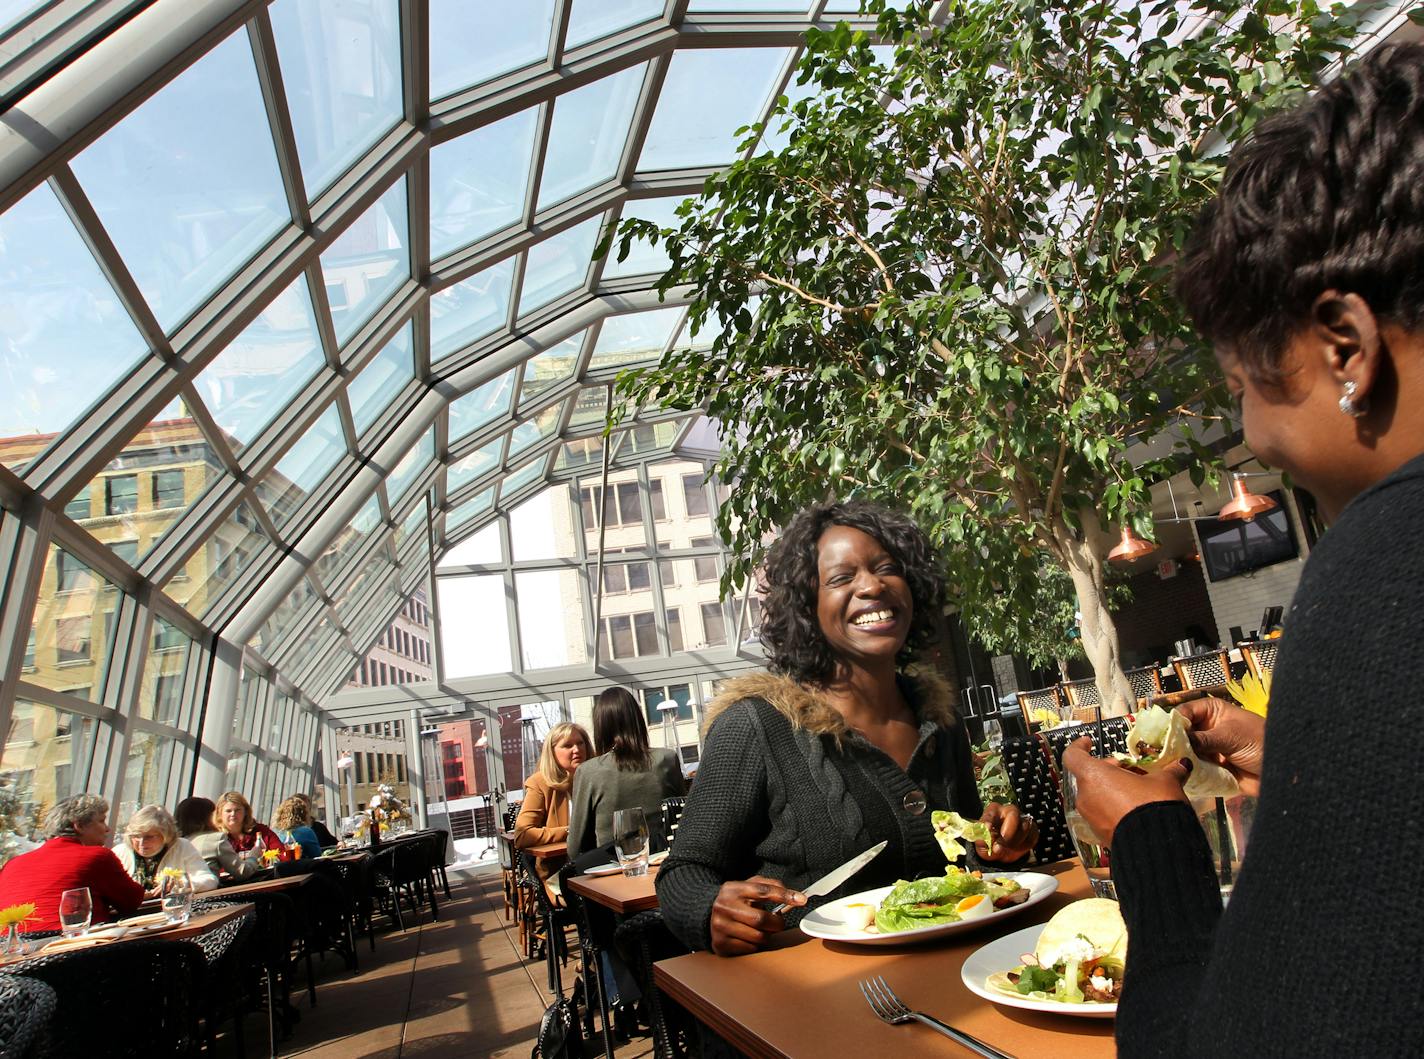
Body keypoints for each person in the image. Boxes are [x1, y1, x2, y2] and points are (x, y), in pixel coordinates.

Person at [1063, 43, 1424, 1057]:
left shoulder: (1386, 563)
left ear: (1342, 346)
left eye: (1241, 385)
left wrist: (1148, 838)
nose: (1250, 433)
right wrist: (1304, 760)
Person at [658, 502, 1037, 955]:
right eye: (841, 578)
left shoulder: (940, 721)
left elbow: (961, 862)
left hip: (958, 975)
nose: (873, 586)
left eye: (887, 569)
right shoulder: (757, 725)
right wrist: (709, 911)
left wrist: (997, 850)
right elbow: (683, 873)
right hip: (816, 1003)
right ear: (807, 608)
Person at [567, 688, 685, 862]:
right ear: (638, 719)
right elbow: (683, 817)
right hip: (664, 862)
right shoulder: (667, 759)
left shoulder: (589, 772)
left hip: (612, 870)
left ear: (600, 726)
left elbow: (575, 847)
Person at [0, 794, 143, 931]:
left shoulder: (11, 864)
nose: (107, 828)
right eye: (101, 821)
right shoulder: (96, 856)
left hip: (14, 950)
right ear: (79, 826)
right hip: (74, 948)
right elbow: (131, 902)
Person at [112, 804, 219, 894]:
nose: (141, 842)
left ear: (165, 835)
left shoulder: (181, 847)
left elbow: (210, 880)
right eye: (136, 836)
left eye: (149, 837)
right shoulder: (120, 852)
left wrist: (181, 884)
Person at [175, 795, 258, 880]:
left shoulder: (175, 845)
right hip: (209, 891)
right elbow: (243, 872)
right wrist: (253, 856)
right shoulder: (215, 839)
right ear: (208, 817)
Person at [214, 790, 291, 865]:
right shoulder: (216, 838)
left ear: (245, 811)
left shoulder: (261, 831)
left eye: (237, 810)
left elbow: (282, 855)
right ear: (220, 814)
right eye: (228, 811)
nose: (233, 814)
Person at [272, 796, 322, 860]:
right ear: (304, 814)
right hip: (302, 868)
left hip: (280, 868)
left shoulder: (275, 833)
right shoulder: (306, 832)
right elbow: (316, 855)